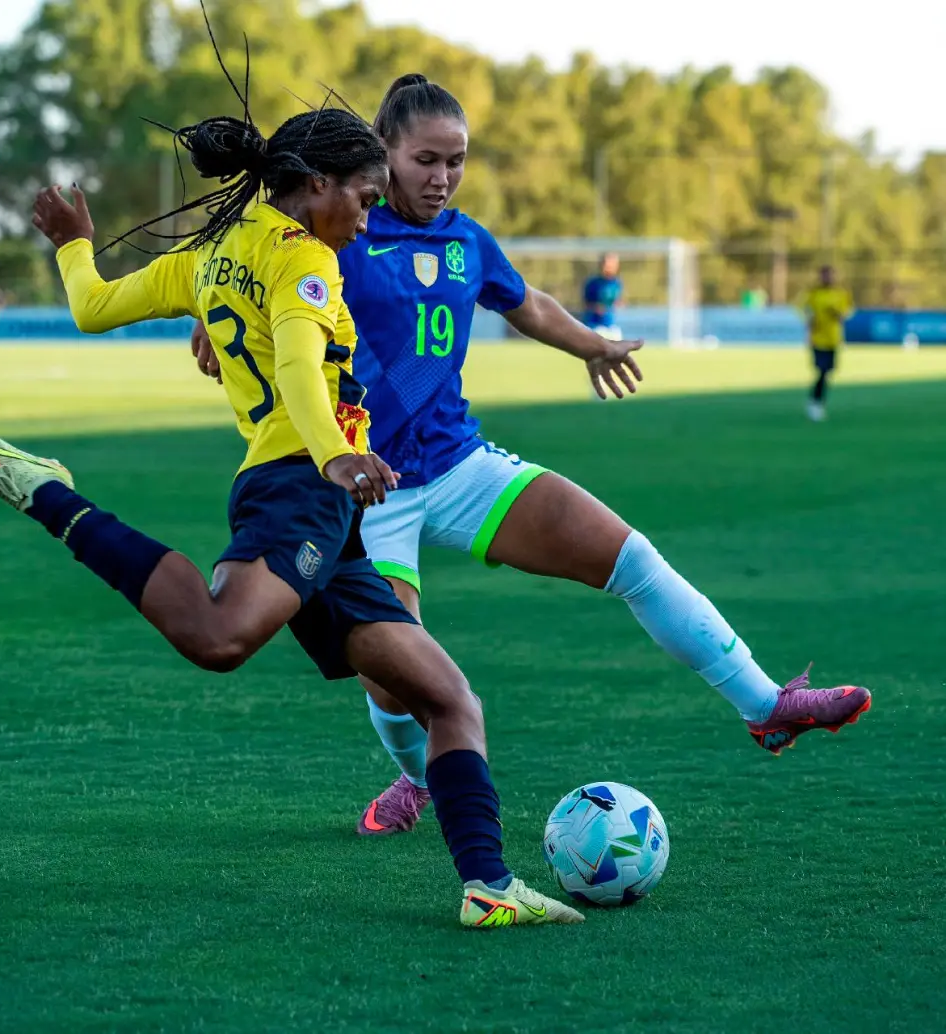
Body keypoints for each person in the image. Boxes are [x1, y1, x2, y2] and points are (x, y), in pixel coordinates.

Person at [0, 104, 582, 928]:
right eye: (364, 196)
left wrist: (72, 244)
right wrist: (333, 453)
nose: (369, 215)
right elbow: (307, 373)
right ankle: (49, 493)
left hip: (323, 506)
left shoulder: (211, 253)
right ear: (317, 186)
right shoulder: (307, 260)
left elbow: (93, 307)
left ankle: (488, 887)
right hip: (299, 486)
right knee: (218, 636)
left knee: (448, 698)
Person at [191, 74, 872, 838]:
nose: (442, 177)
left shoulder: (465, 241)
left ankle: (765, 704)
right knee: (393, 676)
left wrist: (593, 346)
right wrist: (215, 325)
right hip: (362, 487)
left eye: (456, 161)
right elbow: (257, 271)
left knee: (630, 557)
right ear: (382, 155)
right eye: (426, 160)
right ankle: (417, 780)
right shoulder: (339, 230)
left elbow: (529, 305)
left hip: (457, 465)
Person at [799, 265, 854, 421]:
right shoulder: (813, 294)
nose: (827, 278)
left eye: (830, 275)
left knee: (828, 372)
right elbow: (805, 311)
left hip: (833, 339)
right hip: (818, 339)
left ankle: (817, 401)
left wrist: (835, 313)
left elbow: (844, 315)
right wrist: (810, 323)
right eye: (824, 275)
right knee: (821, 371)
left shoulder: (840, 293)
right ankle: (815, 403)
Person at [582, 252, 623, 339]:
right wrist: (596, 308)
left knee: (617, 341)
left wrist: (618, 304)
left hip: (610, 324)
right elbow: (586, 304)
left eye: (613, 265)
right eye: (607, 265)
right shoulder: (593, 283)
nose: (609, 268)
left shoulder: (616, 283)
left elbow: (616, 301)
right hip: (594, 325)